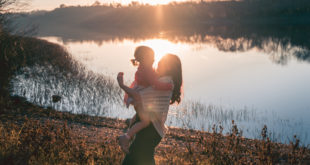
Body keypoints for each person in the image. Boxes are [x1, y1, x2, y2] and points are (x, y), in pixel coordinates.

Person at [117, 54, 183, 165]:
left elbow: (139, 95)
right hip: (149, 129)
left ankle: (125, 138)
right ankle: (126, 137)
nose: (159, 63)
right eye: (160, 61)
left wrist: (122, 85)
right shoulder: (161, 81)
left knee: (131, 161)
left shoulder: (166, 82)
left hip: (150, 130)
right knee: (144, 160)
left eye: (162, 62)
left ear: (170, 67)